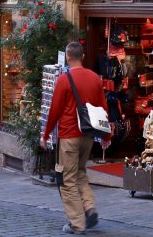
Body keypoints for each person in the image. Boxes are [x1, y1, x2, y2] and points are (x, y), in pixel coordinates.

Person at [40, 42, 112, 235]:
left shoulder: (64, 79)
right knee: (80, 173)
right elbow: (102, 109)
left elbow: (54, 111)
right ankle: (90, 208)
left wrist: (45, 135)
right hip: (88, 135)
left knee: (66, 180)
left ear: (68, 57)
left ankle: (77, 224)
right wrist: (106, 135)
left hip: (69, 135)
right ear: (82, 56)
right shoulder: (95, 78)